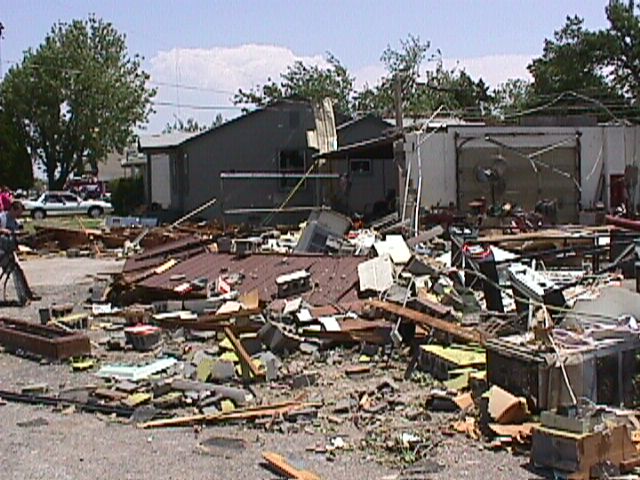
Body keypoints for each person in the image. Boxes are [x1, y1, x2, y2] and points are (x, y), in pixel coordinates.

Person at [0, 201, 38, 305]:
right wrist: (3, 231)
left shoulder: (15, 222)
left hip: (7, 250)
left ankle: (26, 295)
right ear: (13, 209)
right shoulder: (2, 217)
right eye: (18, 213)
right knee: (15, 270)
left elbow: (15, 235)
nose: (19, 215)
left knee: (17, 270)